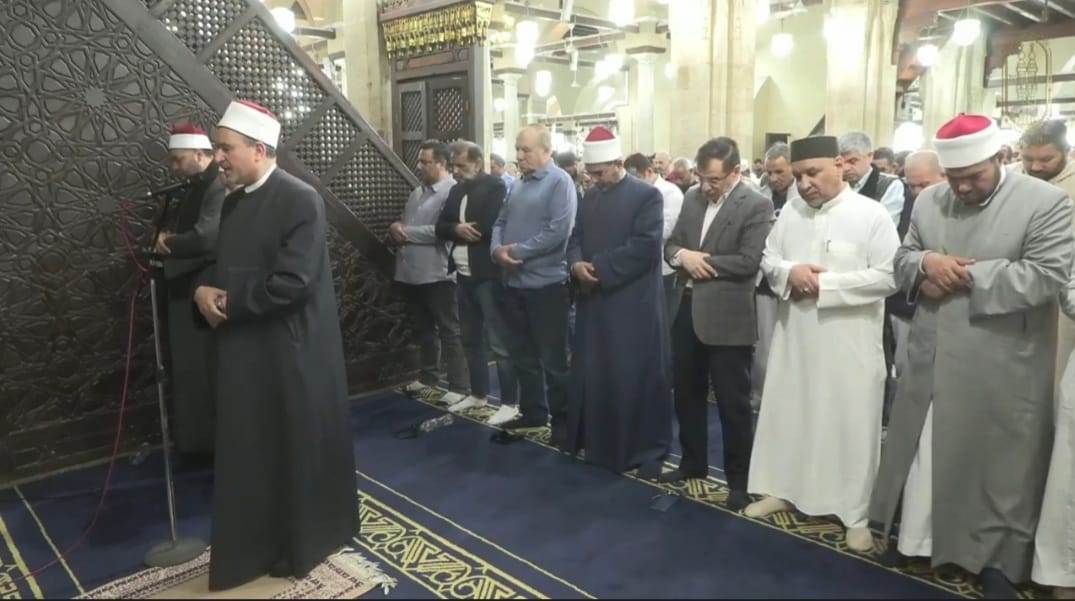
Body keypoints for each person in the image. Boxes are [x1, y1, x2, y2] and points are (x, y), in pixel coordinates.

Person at [869, 114, 1073, 597]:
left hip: (1003, 357)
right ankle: (920, 541)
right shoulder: (929, 200)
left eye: (973, 177)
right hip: (934, 349)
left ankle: (995, 557)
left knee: (998, 465)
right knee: (927, 453)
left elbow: (1047, 276)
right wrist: (926, 262)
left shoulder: (1046, 203)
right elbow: (903, 258)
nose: (961, 188)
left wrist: (964, 274)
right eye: (954, 177)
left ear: (999, 158)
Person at [192, 100, 357, 589]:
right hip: (245, 349)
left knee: (289, 449)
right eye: (217, 148)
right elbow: (225, 266)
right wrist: (202, 291)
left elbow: (293, 283)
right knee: (252, 450)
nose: (218, 158)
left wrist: (226, 301)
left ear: (259, 149)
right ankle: (255, 546)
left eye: (226, 148)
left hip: (289, 351)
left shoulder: (300, 199)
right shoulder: (235, 200)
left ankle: (296, 544)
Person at [744, 135, 899, 555]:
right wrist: (789, 273)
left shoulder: (871, 215)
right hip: (796, 338)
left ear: (840, 164)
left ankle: (855, 514)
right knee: (791, 414)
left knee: (850, 425)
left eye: (812, 173)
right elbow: (769, 259)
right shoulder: (790, 213)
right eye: (798, 176)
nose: (804, 184)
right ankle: (783, 489)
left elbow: (889, 276)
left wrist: (824, 285)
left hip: (849, 344)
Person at [662, 137, 773, 508]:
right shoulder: (692, 198)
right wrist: (682, 255)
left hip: (727, 316)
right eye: (701, 178)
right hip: (685, 309)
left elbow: (748, 261)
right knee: (686, 393)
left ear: (735, 172)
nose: (706, 186)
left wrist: (698, 260)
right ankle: (692, 462)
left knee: (732, 403)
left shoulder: (755, 204)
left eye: (714, 180)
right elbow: (671, 245)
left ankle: (739, 480)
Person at [563, 126, 673, 473]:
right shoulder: (590, 197)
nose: (593, 179)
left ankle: (631, 447)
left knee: (628, 374)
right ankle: (597, 442)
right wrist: (575, 264)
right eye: (590, 173)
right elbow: (574, 238)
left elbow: (645, 247)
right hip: (595, 300)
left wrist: (596, 267)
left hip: (631, 303)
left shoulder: (647, 196)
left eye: (599, 173)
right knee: (596, 373)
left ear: (618, 163)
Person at [491, 125, 577, 438]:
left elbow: (558, 231)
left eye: (525, 149)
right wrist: (496, 250)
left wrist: (515, 252)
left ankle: (564, 423)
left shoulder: (559, 182)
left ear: (546, 150)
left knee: (554, 361)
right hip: (515, 285)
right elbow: (500, 222)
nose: (519, 155)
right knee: (523, 357)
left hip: (547, 288)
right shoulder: (517, 183)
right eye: (517, 148)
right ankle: (533, 413)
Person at [434, 141, 520, 425]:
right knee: (470, 339)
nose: (456, 171)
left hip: (487, 276)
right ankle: (478, 393)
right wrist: (456, 228)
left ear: (478, 162)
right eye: (453, 166)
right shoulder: (456, 190)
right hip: (463, 275)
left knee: (498, 341)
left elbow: (488, 225)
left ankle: (509, 402)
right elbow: (441, 226)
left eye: (461, 165)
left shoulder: (495, 186)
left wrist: (459, 229)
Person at [156, 123, 224, 456]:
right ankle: (197, 444)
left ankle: (211, 446)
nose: (174, 167)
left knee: (203, 371)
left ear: (199, 154)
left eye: (178, 159)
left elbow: (207, 237)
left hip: (203, 285)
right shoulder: (194, 185)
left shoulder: (217, 184)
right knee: (190, 371)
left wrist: (168, 243)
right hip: (185, 286)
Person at [391, 140, 468, 404]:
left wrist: (405, 232)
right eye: (420, 161)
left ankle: (459, 386)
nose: (419, 166)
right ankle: (428, 378)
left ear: (441, 163)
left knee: (449, 331)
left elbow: (442, 231)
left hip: (438, 273)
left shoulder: (452, 192)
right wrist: (397, 228)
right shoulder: (417, 192)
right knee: (423, 329)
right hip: (411, 273)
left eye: (425, 162)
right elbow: (407, 223)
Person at [1011, 119, 1075, 386]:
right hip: (1014, 284)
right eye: (1028, 158)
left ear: (1066, 152)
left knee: (1055, 371)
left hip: (1064, 288)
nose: (1035, 167)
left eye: (1046, 159)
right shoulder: (1007, 178)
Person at [887, 150, 944, 381]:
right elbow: (899, 256)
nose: (918, 192)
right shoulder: (905, 205)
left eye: (924, 184)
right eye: (912, 186)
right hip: (906, 308)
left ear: (944, 175)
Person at [752, 142, 800, 411]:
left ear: (792, 167)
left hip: (795, 277)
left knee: (794, 345)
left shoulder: (804, 196)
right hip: (763, 279)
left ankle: (791, 400)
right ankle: (761, 398)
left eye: (779, 172)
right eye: (769, 172)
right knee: (764, 346)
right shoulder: (758, 195)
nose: (772, 178)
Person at [624, 152, 684, 322]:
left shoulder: (670, 193)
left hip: (663, 267)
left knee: (662, 319)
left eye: (637, 178)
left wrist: (634, 226)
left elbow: (665, 231)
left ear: (649, 171)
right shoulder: (632, 192)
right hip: (637, 267)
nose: (633, 184)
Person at [838, 131, 906, 225]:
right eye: (841, 162)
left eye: (852, 161)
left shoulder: (889, 184)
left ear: (870, 156)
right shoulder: (835, 183)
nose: (846, 168)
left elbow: (884, 227)